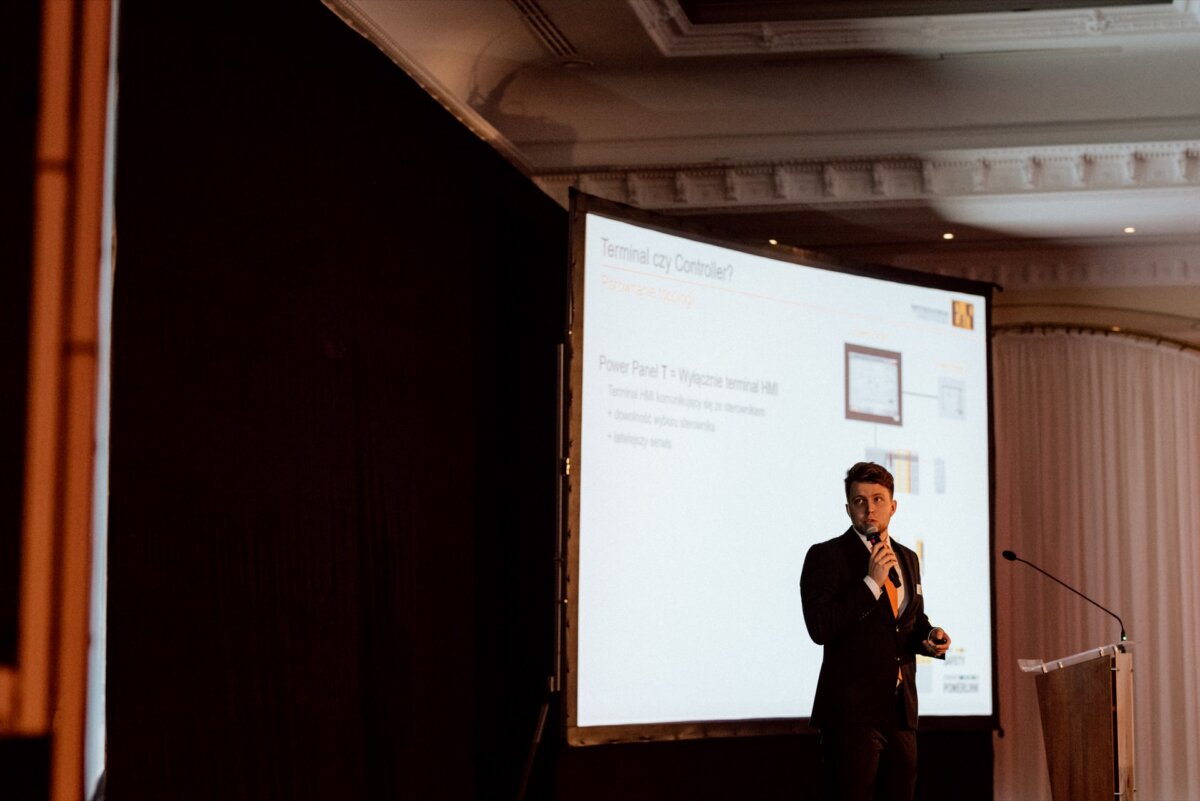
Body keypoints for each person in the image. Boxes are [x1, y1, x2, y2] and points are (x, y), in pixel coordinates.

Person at [800, 461, 950, 801]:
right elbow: (820, 626)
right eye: (860, 501)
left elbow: (909, 621)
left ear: (893, 506)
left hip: (900, 712)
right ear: (848, 507)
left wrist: (929, 638)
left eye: (878, 499)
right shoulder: (827, 556)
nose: (870, 509)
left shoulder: (908, 558)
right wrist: (871, 584)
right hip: (852, 715)